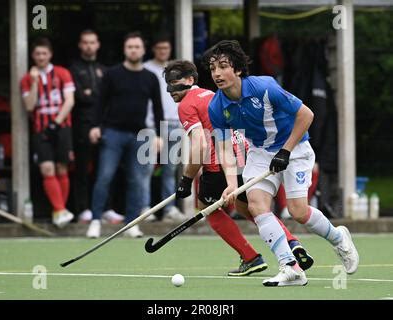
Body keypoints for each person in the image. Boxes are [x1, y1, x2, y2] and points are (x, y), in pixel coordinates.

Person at [204, 40, 359, 286]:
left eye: (223, 66)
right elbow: (223, 148)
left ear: (238, 70)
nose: (217, 74)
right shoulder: (216, 106)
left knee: (298, 211)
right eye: (213, 68)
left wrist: (285, 152)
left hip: (295, 148)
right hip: (260, 152)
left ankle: (339, 239)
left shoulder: (264, 87)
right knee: (256, 205)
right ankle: (290, 267)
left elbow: (306, 114)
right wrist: (231, 184)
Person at [163, 60, 313, 276]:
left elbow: (200, 145)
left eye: (175, 83)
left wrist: (186, 180)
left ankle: (250, 257)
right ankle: (291, 243)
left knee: (208, 208)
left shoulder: (186, 105)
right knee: (249, 207)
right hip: (244, 158)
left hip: (218, 166)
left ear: (189, 80)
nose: (171, 90)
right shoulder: (212, 95)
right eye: (168, 84)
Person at [86, 32, 163, 238]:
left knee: (137, 180)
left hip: (140, 135)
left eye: (137, 47)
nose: (133, 50)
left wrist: (159, 135)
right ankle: (95, 220)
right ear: (124, 49)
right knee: (104, 176)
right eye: (130, 47)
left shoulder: (151, 77)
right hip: (112, 133)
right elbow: (100, 102)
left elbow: (158, 108)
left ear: (143, 50)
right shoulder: (112, 74)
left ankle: (132, 223)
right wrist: (95, 126)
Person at [70, 29, 124, 225]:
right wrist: (91, 95)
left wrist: (91, 94)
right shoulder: (74, 68)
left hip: (104, 126)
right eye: (85, 42)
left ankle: (107, 209)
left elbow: (108, 98)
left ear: (98, 44)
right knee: (83, 170)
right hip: (82, 126)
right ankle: (83, 209)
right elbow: (79, 97)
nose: (89, 46)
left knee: (106, 170)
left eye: (92, 42)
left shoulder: (105, 70)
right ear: (80, 45)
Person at [20, 37, 75, 228]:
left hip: (61, 126)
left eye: (44, 53)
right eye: (37, 54)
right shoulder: (27, 79)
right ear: (33, 56)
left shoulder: (62, 73)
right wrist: (34, 83)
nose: (41, 57)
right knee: (47, 169)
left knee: (61, 168)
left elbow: (69, 101)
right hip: (40, 129)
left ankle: (59, 210)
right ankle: (60, 210)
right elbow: (29, 105)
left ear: (50, 54)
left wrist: (56, 123)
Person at [143, 35, 185, 222]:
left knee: (171, 169)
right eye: (159, 48)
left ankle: (169, 209)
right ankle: (144, 208)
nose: (162, 51)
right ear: (153, 49)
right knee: (146, 167)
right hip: (151, 124)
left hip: (176, 123)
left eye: (165, 48)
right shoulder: (145, 69)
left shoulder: (178, 71)